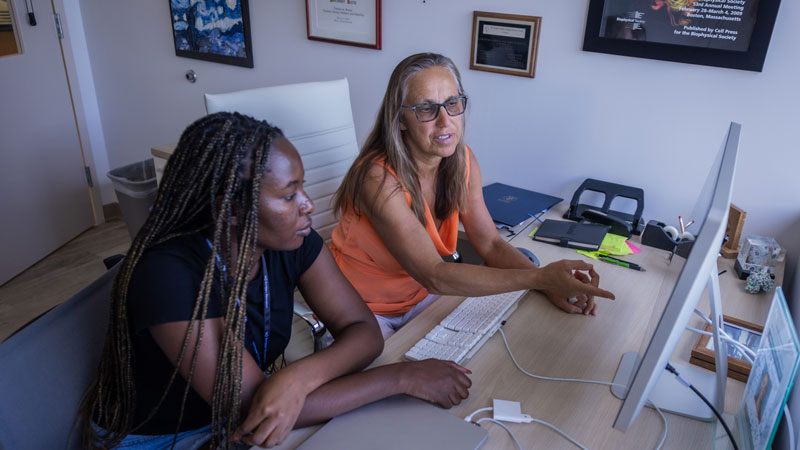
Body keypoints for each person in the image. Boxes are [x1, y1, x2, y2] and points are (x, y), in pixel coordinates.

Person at [79, 112, 471, 449]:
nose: (307, 205)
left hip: (243, 420)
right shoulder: (169, 273)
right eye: (288, 195)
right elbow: (253, 407)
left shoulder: (289, 240)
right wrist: (402, 377)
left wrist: (295, 379)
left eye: (300, 187)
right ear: (230, 209)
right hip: (165, 439)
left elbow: (362, 331)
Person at [331, 53, 616, 339]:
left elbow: (490, 243)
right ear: (401, 118)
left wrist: (550, 286)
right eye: (427, 109)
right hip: (360, 310)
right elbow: (433, 274)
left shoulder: (462, 161)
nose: (445, 122)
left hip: (420, 299)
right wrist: (540, 278)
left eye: (453, 104)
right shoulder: (376, 178)